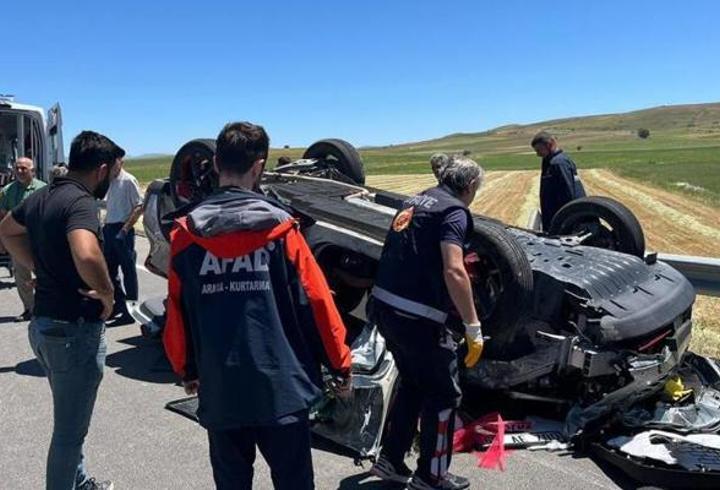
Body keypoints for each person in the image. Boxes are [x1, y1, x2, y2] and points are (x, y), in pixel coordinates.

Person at [163, 121, 352, 490]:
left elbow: (176, 311)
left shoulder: (185, 237)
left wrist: (186, 369)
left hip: (221, 387)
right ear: (259, 167)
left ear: (216, 163)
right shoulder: (284, 232)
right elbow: (317, 302)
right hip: (282, 388)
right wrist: (339, 363)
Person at [0, 131, 117, 490]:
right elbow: (85, 251)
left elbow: (6, 231)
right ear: (101, 169)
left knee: (69, 424)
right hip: (72, 330)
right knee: (68, 434)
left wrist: (37, 264)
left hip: (45, 327)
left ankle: (78, 482)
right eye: (112, 171)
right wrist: (107, 293)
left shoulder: (41, 196)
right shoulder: (80, 201)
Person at [368, 156, 484, 490]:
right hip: (418, 318)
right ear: (470, 185)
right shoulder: (454, 212)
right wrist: (472, 326)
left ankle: (390, 460)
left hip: (385, 308)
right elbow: (454, 269)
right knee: (444, 394)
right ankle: (432, 476)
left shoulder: (416, 200)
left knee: (413, 383)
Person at [0, 157, 46, 321]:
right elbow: (3, 215)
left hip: (39, 239)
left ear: (32, 170)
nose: (19, 171)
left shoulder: (43, 189)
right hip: (17, 241)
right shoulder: (7, 191)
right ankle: (29, 308)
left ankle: (48, 307)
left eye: (24, 168)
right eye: (17, 168)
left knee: (45, 273)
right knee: (21, 276)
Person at [102, 144, 143, 326]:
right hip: (109, 228)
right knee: (109, 272)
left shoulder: (128, 180)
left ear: (121, 162)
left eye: (115, 161)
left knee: (129, 273)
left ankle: (131, 311)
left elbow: (139, 206)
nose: (112, 165)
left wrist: (125, 229)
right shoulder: (109, 181)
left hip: (123, 230)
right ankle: (119, 304)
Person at [530, 131, 586, 231]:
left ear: (549, 145)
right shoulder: (551, 161)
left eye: (539, 150)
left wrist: (565, 222)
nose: (538, 154)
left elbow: (568, 194)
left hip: (562, 220)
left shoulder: (559, 163)